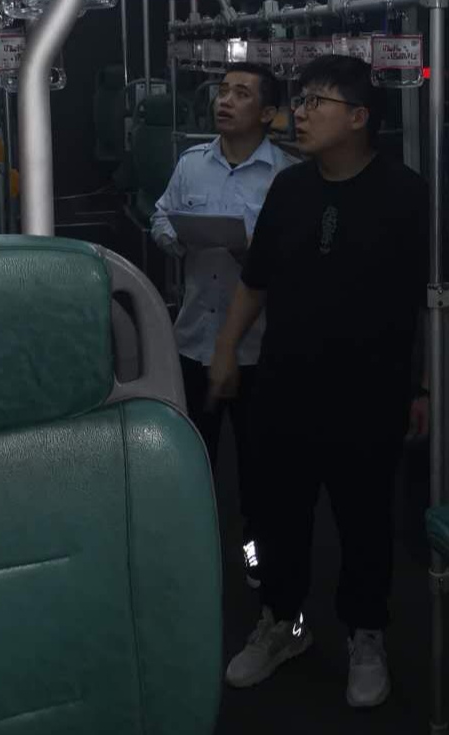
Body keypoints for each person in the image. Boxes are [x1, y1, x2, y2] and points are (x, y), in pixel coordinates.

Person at [208, 55, 449, 708]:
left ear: (360, 117)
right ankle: (282, 623)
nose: (302, 112)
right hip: (285, 384)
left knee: (364, 520)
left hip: (371, 391)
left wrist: (425, 386)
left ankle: (365, 634)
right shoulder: (289, 190)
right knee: (278, 516)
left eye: (318, 101)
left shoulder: (407, 196)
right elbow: (255, 282)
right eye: (301, 100)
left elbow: (434, 302)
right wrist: (226, 350)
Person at [150, 62, 294, 587]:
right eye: (223, 91)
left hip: (258, 348)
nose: (224, 101)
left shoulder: (285, 177)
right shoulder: (192, 165)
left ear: (268, 113)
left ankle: (256, 555)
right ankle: (195, 551)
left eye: (241, 94)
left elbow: (297, 259)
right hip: (193, 339)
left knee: (259, 468)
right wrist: (179, 238)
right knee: (192, 457)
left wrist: (254, 253)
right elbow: (161, 215)